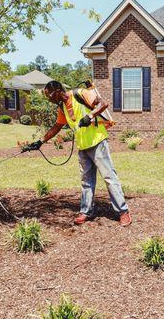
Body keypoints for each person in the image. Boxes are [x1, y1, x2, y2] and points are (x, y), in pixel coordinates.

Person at [26, 80, 132, 227]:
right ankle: (86, 211)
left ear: (57, 91)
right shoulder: (62, 107)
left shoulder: (80, 94)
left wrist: (90, 116)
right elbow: (57, 126)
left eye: (49, 96)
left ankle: (122, 211)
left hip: (98, 142)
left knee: (109, 177)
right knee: (86, 181)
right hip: (82, 147)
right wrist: (41, 141)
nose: (49, 100)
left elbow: (103, 104)